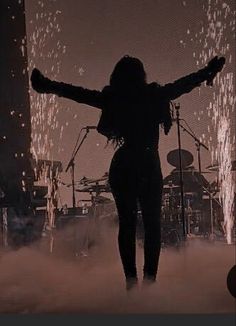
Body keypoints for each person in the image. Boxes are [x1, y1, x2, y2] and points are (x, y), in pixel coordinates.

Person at [31, 55, 225, 290]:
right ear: (142, 75)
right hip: (148, 164)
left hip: (123, 164)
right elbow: (183, 85)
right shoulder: (154, 95)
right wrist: (208, 71)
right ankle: (149, 283)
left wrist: (47, 85)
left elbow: (78, 93)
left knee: (127, 224)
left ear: (117, 78)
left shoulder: (113, 98)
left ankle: (131, 283)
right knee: (153, 225)